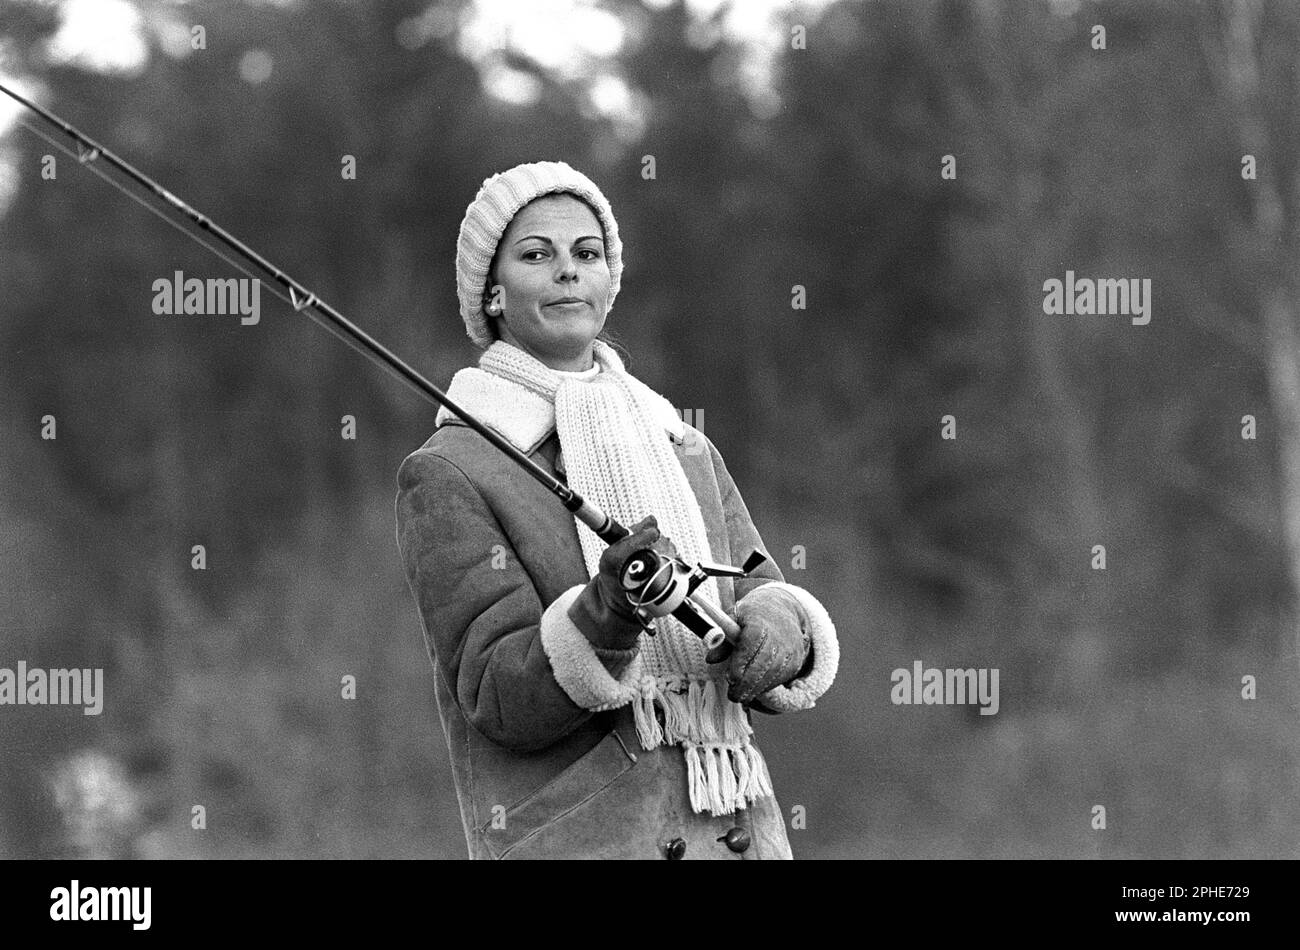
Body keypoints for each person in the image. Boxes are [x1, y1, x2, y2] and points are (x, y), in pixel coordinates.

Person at [394, 160, 839, 859]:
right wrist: (607, 613)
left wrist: (781, 629)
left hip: (741, 832)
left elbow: (759, 585)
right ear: (492, 295)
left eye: (587, 253)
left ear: (610, 282)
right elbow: (498, 697)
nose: (568, 271)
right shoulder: (448, 472)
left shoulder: (683, 444)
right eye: (537, 255)